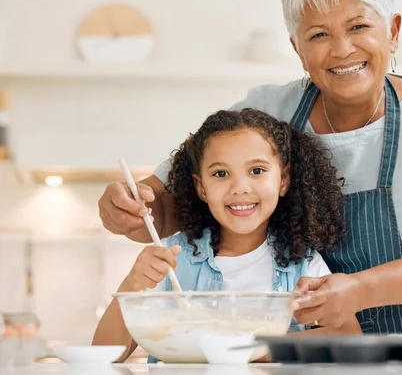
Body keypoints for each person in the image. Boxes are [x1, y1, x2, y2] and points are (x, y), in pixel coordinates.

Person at [98, 0, 402, 334]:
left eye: (358, 26)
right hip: (318, 357)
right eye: (319, 35)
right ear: (297, 49)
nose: (342, 49)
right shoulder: (267, 113)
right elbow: (166, 209)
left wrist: (359, 291)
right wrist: (128, 210)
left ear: (393, 31)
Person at [93, 109, 361, 362]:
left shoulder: (301, 263)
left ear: (283, 180)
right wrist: (133, 284)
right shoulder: (171, 260)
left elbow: (347, 337)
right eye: (221, 173)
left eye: (257, 171)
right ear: (202, 188)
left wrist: (250, 349)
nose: (240, 187)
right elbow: (106, 354)